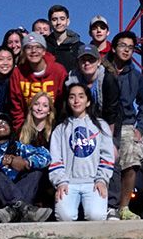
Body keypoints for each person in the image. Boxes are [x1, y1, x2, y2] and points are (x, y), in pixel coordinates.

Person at [0, 112, 53, 223]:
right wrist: (4, 161)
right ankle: (20, 206)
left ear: (11, 129)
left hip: (17, 195)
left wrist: (27, 163)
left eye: (5, 122)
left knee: (36, 171)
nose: (1, 124)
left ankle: (13, 209)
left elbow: (46, 155)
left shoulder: (20, 147)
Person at [49, 83, 116, 222]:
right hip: (68, 183)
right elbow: (55, 159)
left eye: (81, 96)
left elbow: (107, 156)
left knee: (96, 216)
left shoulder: (101, 125)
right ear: (67, 101)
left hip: (93, 182)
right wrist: (60, 182)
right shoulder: (60, 129)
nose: (76, 100)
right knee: (64, 217)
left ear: (88, 101)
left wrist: (102, 179)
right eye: (72, 97)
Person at [107, 32, 143, 221]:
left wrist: (140, 127)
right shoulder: (102, 69)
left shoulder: (135, 75)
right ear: (113, 47)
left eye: (130, 47)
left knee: (131, 161)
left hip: (126, 124)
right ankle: (108, 206)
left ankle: (124, 207)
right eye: (122, 45)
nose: (126, 50)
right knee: (108, 164)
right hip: (103, 125)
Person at [9, 32, 67, 128]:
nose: (33, 51)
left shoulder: (58, 71)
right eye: (29, 47)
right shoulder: (17, 73)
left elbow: (63, 103)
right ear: (23, 51)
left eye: (38, 47)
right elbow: (16, 107)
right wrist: (20, 129)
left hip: (54, 125)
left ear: (44, 51)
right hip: (26, 126)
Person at [46, 4, 83, 72]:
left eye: (62, 19)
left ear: (68, 21)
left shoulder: (79, 46)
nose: (58, 22)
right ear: (50, 23)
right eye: (54, 19)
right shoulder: (44, 46)